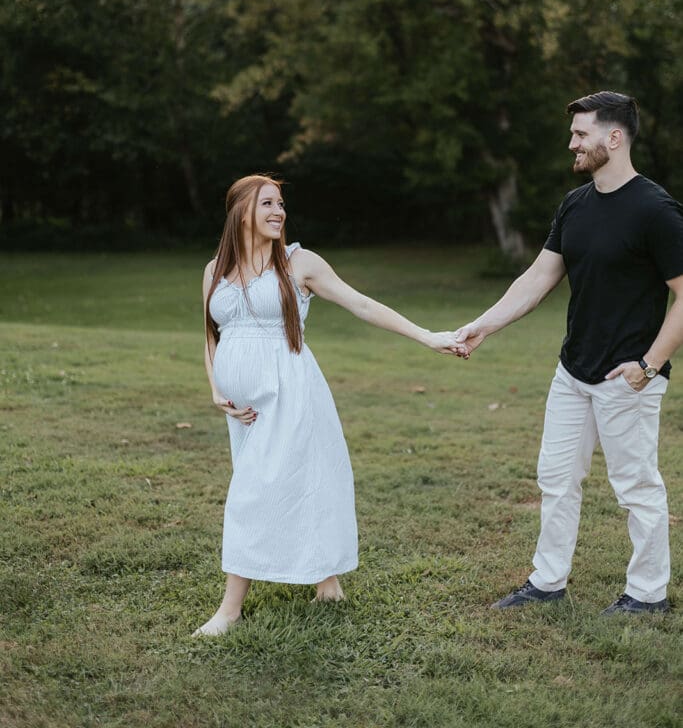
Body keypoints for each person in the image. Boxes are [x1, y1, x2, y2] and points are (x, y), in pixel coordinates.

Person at [193, 173, 462, 637]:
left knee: (255, 491)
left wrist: (426, 336)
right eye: (268, 204)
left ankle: (230, 611)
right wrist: (217, 388)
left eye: (281, 204)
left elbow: (360, 304)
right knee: (284, 483)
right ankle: (327, 581)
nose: (279, 212)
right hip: (243, 408)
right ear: (241, 212)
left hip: (289, 392)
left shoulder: (300, 264)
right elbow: (212, 336)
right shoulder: (214, 269)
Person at [455, 91, 683, 614]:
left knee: (635, 488)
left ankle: (649, 596)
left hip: (627, 376)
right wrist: (483, 325)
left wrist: (648, 366)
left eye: (581, 134)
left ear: (614, 137)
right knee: (556, 480)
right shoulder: (575, 205)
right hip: (572, 371)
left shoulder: (656, 210)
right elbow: (538, 277)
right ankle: (547, 583)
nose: (572, 144)